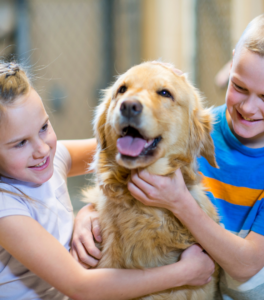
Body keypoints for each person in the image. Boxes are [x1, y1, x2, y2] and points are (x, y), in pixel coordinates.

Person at [72, 9, 264, 300]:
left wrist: (179, 201)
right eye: (239, 87)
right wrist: (91, 212)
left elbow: (246, 265)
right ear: (231, 66)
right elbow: (108, 163)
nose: (248, 108)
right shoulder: (197, 126)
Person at [0, 62, 215, 300]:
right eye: (20, 143)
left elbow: (113, 143)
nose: (41, 149)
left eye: (44, 127)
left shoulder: (52, 156)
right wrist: (184, 272)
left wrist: (89, 211)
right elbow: (80, 287)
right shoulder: (5, 206)